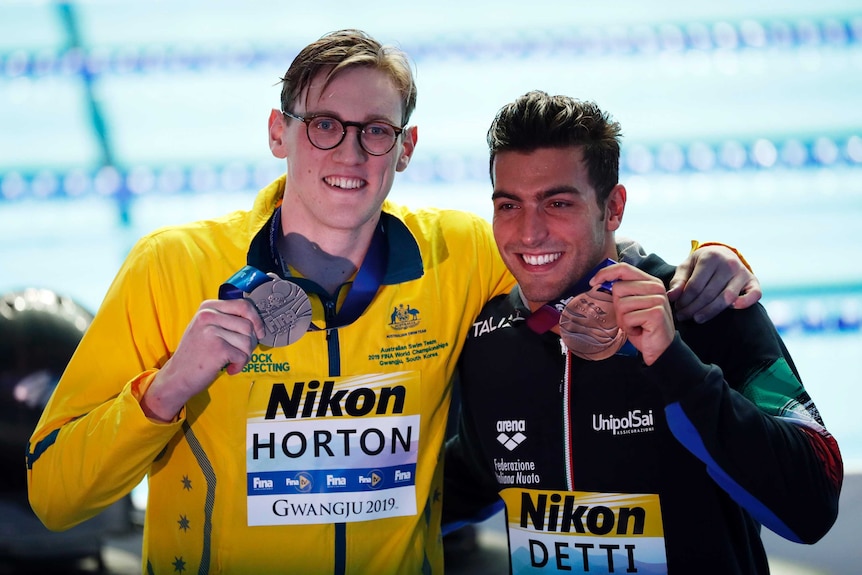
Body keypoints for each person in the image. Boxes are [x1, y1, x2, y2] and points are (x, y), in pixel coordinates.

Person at [27, 30, 758, 574]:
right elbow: (56, 497)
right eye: (325, 125)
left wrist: (705, 263)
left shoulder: (460, 254)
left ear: (404, 149)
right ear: (280, 133)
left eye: (375, 132)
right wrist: (167, 389)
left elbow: (565, 248)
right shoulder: (174, 266)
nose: (349, 154)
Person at [442, 91, 844, 574]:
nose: (529, 233)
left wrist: (673, 362)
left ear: (612, 208)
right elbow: (471, 476)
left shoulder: (705, 306)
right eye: (509, 205)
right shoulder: (491, 338)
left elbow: (812, 507)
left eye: (558, 202)